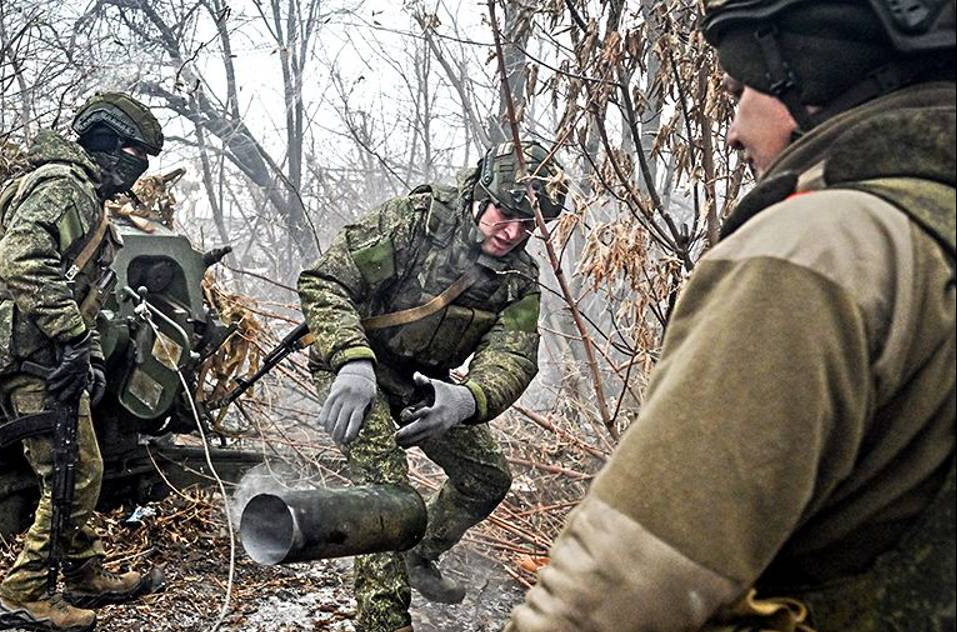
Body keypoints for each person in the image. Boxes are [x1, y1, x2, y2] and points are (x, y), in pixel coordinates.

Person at [505, 1, 955, 630]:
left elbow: (627, 581)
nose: (733, 130)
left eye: (742, 90)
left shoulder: (817, 248)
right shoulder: (935, 229)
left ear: (810, 77)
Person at [298, 141, 569, 632]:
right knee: (387, 493)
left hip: (424, 384)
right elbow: (325, 281)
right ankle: (382, 621)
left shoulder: (518, 280)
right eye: (504, 215)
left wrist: (467, 398)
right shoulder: (416, 221)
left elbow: (512, 354)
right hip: (355, 370)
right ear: (479, 196)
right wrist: (352, 362)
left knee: (487, 480)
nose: (512, 233)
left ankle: (417, 556)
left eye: (528, 226)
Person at [0, 92, 164, 632]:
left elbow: (89, 296)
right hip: (26, 350)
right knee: (73, 475)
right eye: (136, 154)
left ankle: (81, 573)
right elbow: (21, 260)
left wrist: (90, 355)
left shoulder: (88, 201)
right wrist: (75, 341)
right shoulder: (63, 186)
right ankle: (24, 593)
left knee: (76, 465)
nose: (139, 169)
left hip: (46, 348)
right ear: (108, 146)